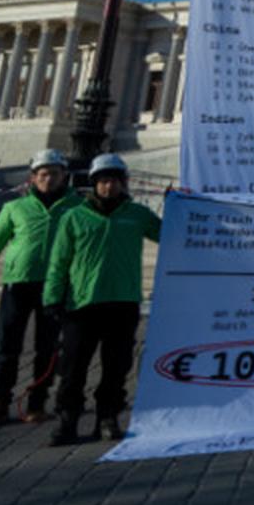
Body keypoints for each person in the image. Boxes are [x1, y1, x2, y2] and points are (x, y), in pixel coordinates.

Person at [42, 153, 162, 446]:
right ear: (94, 183)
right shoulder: (74, 217)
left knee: (117, 366)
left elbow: (168, 234)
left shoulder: (138, 214)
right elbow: (59, 261)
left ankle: (107, 417)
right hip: (82, 304)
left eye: (114, 181)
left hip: (122, 302)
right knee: (73, 367)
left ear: (123, 183)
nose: (109, 187)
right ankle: (67, 418)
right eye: (103, 181)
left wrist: (184, 205)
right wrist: (52, 297)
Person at [0, 149, 84, 427]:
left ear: (63, 177)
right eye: (43, 174)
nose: (48, 179)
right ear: (33, 178)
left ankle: (37, 404)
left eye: (54, 174)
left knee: (47, 349)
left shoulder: (78, 207)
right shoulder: (15, 208)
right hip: (17, 284)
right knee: (7, 347)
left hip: (55, 287)